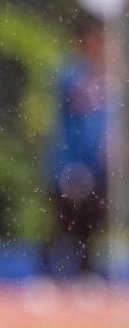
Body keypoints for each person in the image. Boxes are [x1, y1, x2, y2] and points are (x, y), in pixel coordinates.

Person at [42, 19, 109, 280]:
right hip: (69, 161)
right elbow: (74, 106)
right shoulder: (72, 73)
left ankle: (85, 271)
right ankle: (46, 273)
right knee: (63, 219)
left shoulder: (106, 77)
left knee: (90, 222)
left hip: (96, 164)